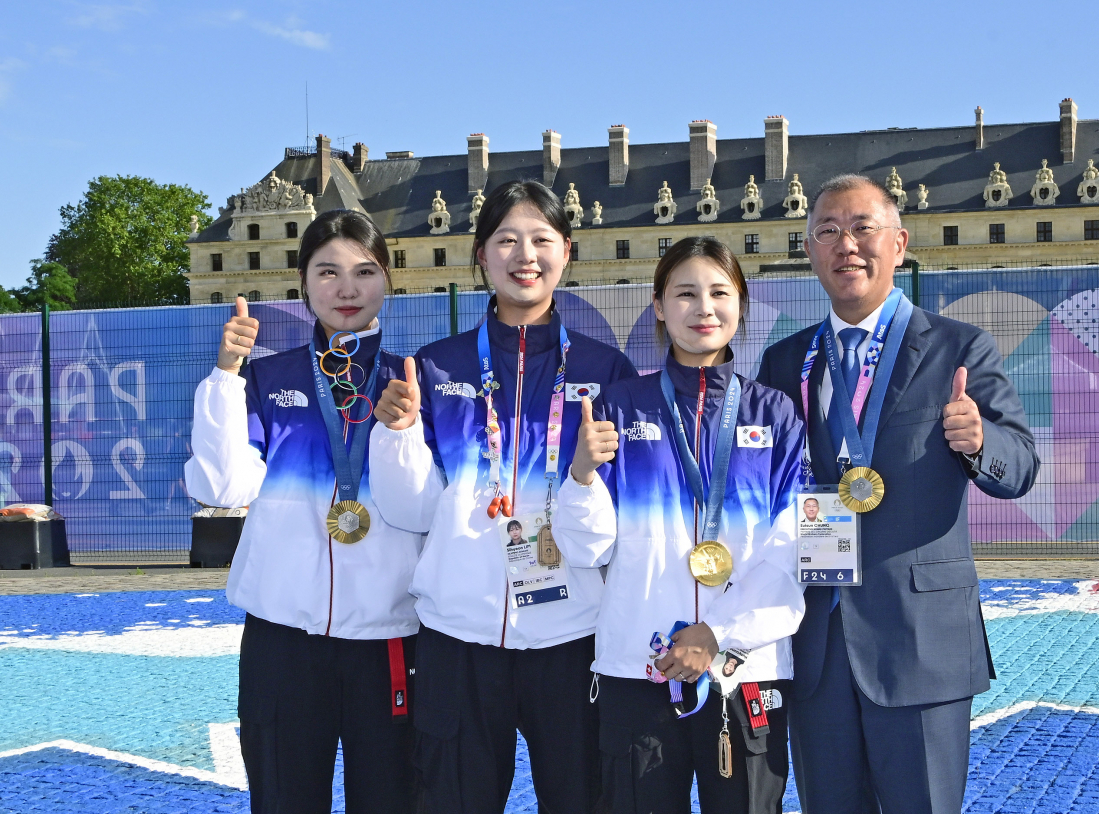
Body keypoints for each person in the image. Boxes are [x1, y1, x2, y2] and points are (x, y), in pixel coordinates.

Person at [756, 174, 1040, 814]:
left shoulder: (959, 348)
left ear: (900, 243)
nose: (846, 245)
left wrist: (978, 441)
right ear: (809, 251)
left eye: (862, 228)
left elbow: (1020, 463)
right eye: (828, 231)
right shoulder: (784, 363)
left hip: (920, 643)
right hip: (817, 647)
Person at [368, 180, 637, 814]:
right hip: (458, 638)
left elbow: (615, 522)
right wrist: (397, 436)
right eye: (507, 240)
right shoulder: (433, 368)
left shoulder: (607, 370)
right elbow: (409, 512)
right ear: (481, 256)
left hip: (571, 639)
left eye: (541, 239)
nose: (526, 255)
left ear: (566, 252)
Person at [555, 236, 806, 814]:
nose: (704, 308)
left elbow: (792, 546)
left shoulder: (774, 414)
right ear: (659, 307)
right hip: (639, 669)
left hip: (744, 672)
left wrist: (717, 633)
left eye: (720, 292)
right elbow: (587, 548)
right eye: (685, 294)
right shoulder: (620, 406)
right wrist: (582, 477)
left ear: (740, 303)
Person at [184, 211, 421, 813]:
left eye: (365, 272)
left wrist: (403, 432)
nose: (347, 289)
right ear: (303, 282)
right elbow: (222, 484)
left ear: (388, 280)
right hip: (283, 644)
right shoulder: (267, 379)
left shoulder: (412, 383)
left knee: (390, 800)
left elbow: (425, 510)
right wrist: (225, 377)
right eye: (328, 272)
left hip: (387, 639)